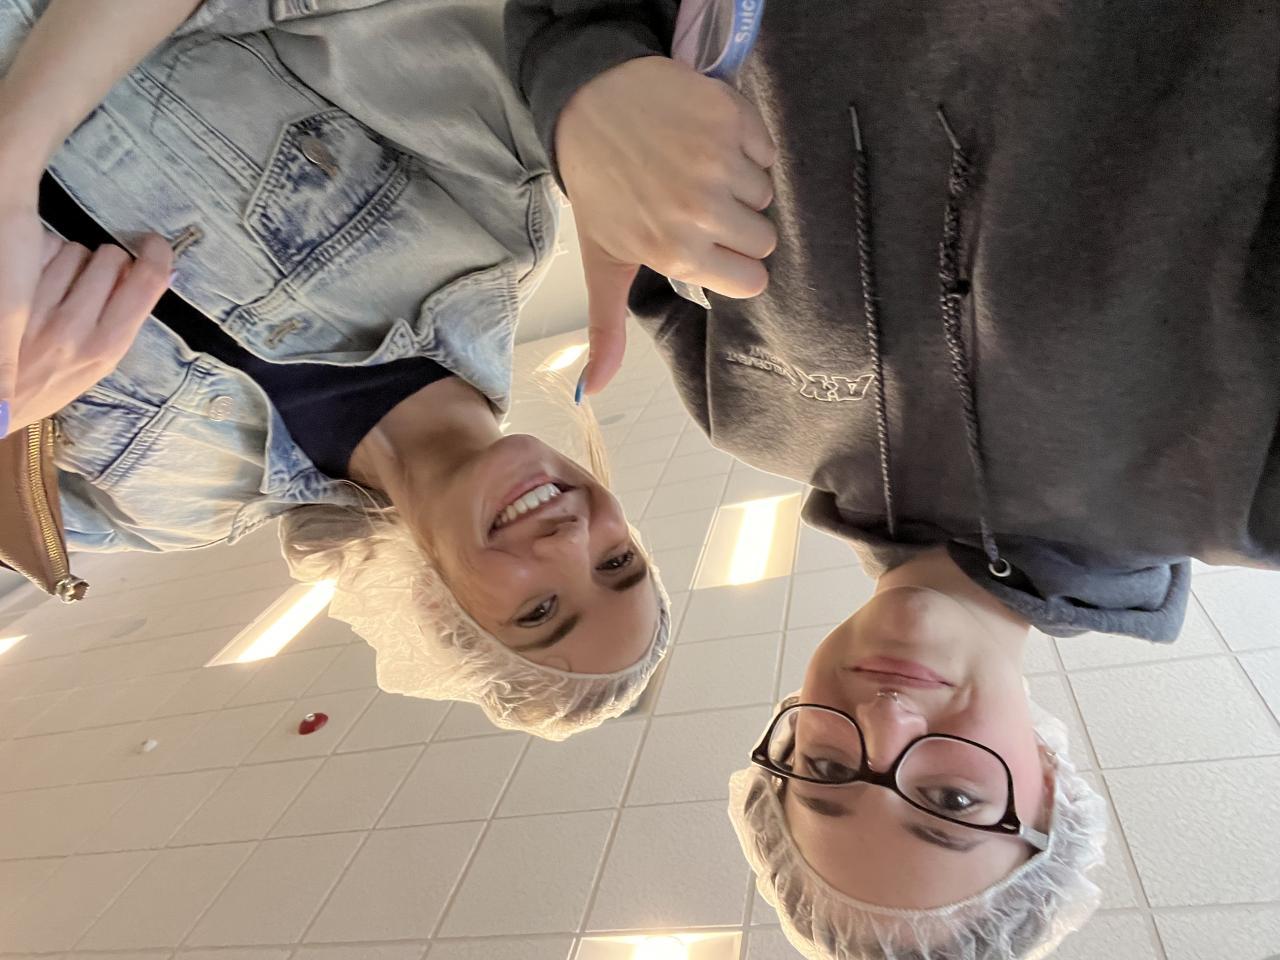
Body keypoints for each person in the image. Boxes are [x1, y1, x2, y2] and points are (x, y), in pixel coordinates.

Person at [505, 0, 1280, 952]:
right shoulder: (1248, 485)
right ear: (1049, 784)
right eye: (950, 798)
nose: (887, 717)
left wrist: (580, 81)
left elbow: (617, 45)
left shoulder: (745, 414)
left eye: (827, 772)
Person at [0, 0, 671, 741]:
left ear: (437, 610)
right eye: (617, 561)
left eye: (540, 610)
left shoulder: (168, 509)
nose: (571, 541)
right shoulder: (486, 221)